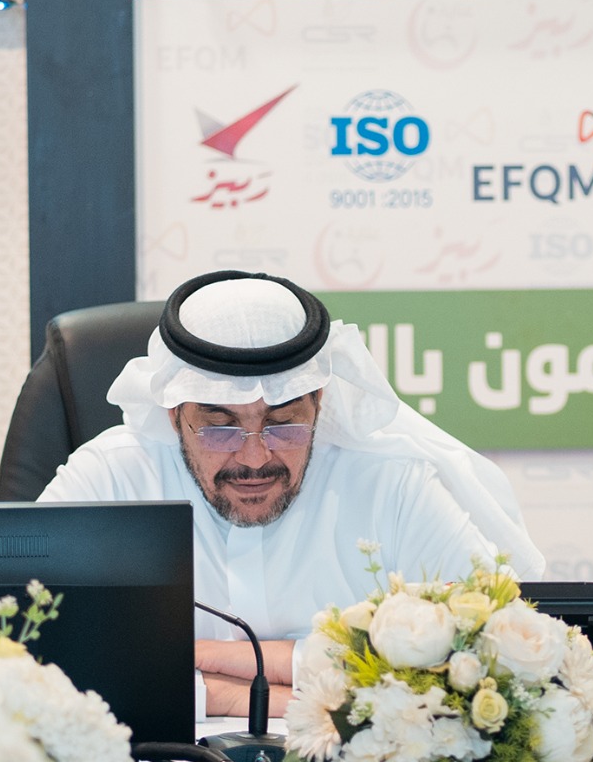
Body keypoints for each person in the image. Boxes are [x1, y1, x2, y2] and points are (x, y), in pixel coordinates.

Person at [40, 270, 544, 717]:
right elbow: (27, 661)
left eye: (283, 424)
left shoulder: (392, 484)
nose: (255, 457)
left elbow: (494, 655)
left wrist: (207, 675)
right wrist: (253, 692)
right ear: (175, 416)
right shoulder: (111, 479)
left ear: (319, 403)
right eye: (221, 427)